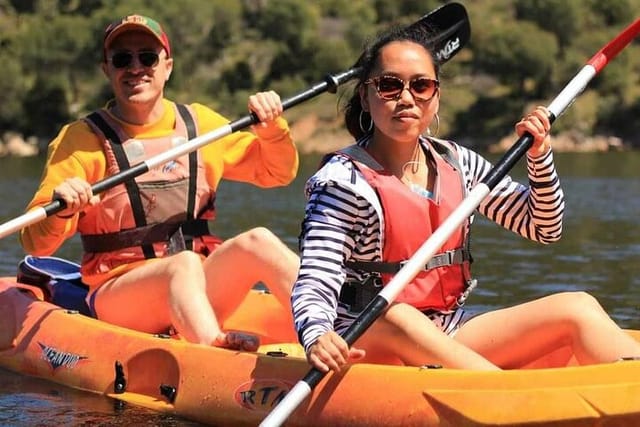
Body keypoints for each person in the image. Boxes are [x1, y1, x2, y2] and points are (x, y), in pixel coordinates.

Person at [290, 24, 640, 371]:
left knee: (577, 306)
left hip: (447, 327)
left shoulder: (458, 163)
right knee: (400, 318)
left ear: (436, 96)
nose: (407, 98)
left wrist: (539, 158)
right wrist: (317, 334)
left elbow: (543, 227)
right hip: (366, 333)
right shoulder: (343, 181)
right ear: (366, 96)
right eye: (389, 85)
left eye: (421, 85)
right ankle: (503, 396)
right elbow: (316, 276)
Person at [19, 14, 300, 352]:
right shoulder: (81, 140)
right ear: (107, 69)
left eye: (148, 57)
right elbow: (36, 243)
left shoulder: (203, 126)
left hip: (197, 281)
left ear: (168, 66)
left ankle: (336, 327)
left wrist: (271, 129)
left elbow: (277, 172)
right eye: (122, 59)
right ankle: (213, 353)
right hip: (119, 292)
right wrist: (63, 211)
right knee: (180, 265)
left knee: (259, 241)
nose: (135, 67)